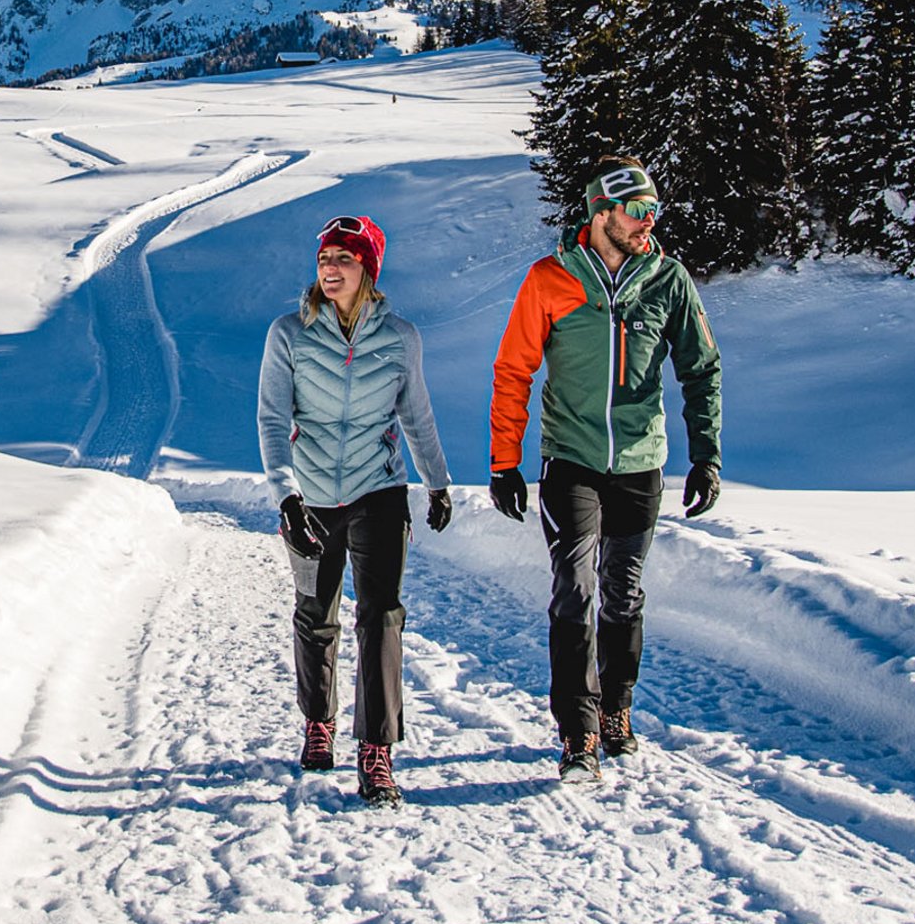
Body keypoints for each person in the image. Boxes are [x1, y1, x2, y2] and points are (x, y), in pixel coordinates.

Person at [488, 158, 722, 784]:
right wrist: (504, 463)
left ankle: (617, 709)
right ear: (601, 213)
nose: (649, 223)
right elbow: (514, 370)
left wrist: (707, 455)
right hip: (570, 461)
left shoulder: (668, 280)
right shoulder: (550, 280)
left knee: (624, 591)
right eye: (637, 211)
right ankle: (578, 730)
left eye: (655, 212)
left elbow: (701, 370)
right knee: (576, 588)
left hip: (642, 463)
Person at [258, 214, 453, 807]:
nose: (330, 269)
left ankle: (377, 749)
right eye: (324, 259)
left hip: (378, 490)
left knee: (381, 616)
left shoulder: (400, 338)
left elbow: (416, 415)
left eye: (344, 258)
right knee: (316, 613)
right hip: (310, 496)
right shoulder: (289, 333)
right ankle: (319, 720)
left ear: (368, 268)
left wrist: (437, 483)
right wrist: (285, 495)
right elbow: (271, 418)